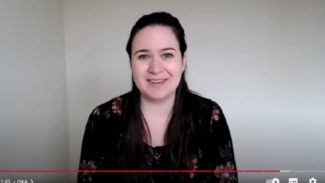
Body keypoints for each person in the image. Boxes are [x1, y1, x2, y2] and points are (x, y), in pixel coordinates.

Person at [77, 12, 238, 183]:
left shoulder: (210, 116)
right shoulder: (102, 119)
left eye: (167, 55)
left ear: (183, 61)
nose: (155, 68)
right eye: (143, 56)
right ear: (131, 62)